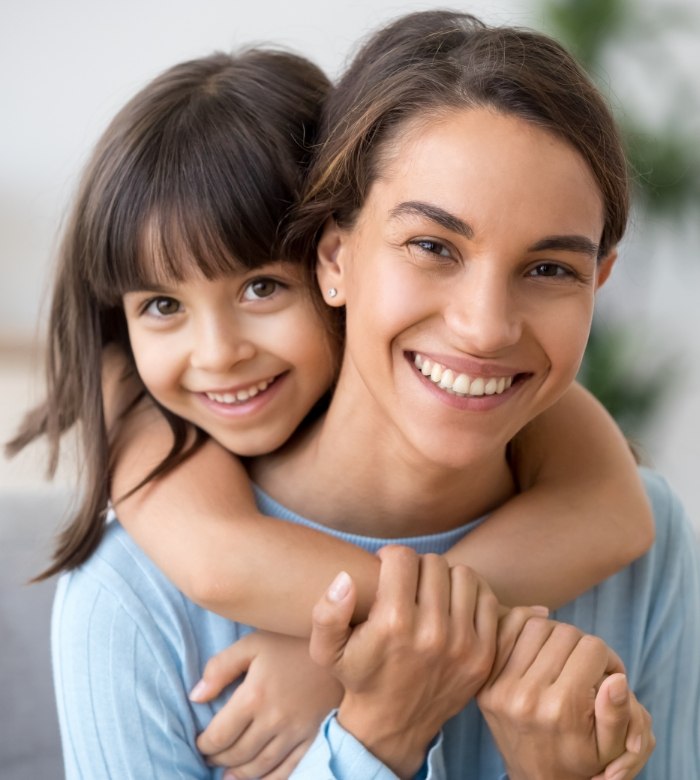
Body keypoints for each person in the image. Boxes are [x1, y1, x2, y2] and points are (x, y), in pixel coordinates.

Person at [4, 19, 670, 780]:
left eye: (260, 288)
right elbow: (218, 563)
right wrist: (374, 724)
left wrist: (353, 651)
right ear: (336, 260)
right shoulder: (134, 583)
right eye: (432, 246)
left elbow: (619, 510)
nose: (485, 330)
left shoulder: (630, 522)